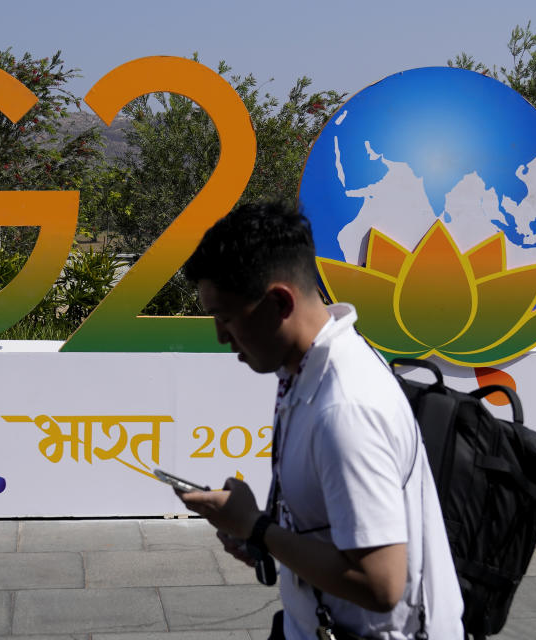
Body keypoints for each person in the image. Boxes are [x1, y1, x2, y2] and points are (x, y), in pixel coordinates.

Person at [178, 200, 464, 639]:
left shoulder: (345, 409)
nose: (221, 336)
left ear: (278, 302)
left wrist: (255, 526)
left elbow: (380, 584)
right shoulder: (305, 368)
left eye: (226, 317)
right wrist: (262, 538)